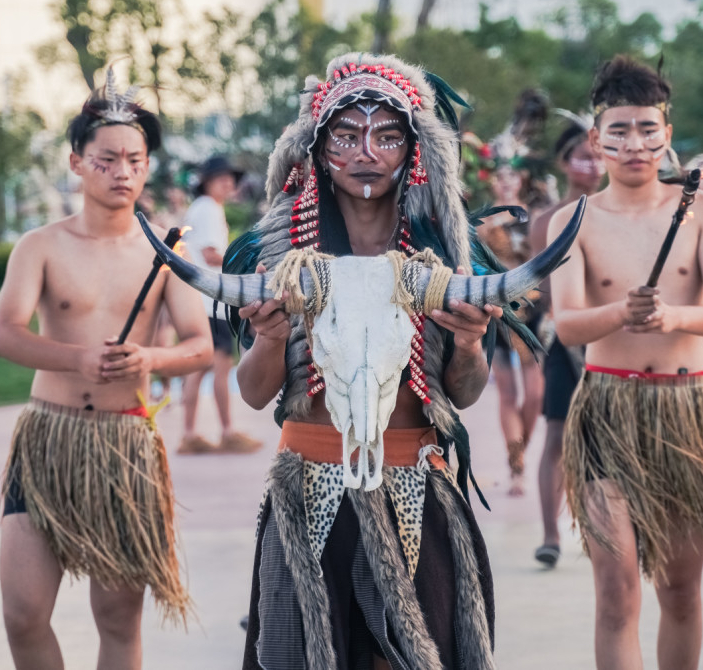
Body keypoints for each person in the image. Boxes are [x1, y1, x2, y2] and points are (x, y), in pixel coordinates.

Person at [213, 54, 553, 669]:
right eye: (346, 135)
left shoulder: (445, 250)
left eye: (387, 135)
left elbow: (464, 392)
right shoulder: (278, 246)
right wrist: (267, 339)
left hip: (416, 482)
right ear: (317, 147)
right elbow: (255, 394)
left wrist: (472, 344)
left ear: (412, 149)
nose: (367, 151)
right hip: (309, 485)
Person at [0, 74, 211, 669]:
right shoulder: (40, 245)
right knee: (23, 613)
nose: (123, 172)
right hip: (47, 441)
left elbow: (201, 346)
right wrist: (77, 358)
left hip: (123, 446)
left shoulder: (166, 254)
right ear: (77, 163)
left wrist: (149, 359)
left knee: (117, 620)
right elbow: (4, 334)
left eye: (135, 160)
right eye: (107, 159)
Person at [547, 55, 703, 670]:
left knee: (680, 589)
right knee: (617, 591)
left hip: (686, 412)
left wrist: (674, 318)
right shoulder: (572, 221)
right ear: (595, 139)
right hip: (606, 411)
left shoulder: (700, 211)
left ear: (667, 131)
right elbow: (568, 324)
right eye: (621, 130)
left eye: (648, 129)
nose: (636, 144)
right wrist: (620, 315)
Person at [531, 115, 605, 567]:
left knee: (609, 435)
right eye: (582, 155)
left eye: (598, 155)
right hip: (564, 338)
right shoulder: (548, 221)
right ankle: (550, 533)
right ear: (564, 162)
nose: (592, 164)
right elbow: (540, 288)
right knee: (557, 433)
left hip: (613, 337)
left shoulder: (620, 214)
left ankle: (605, 528)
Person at [178, 154, 261, 455]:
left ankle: (189, 433)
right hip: (212, 302)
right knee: (221, 366)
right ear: (207, 182)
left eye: (230, 178)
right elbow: (214, 256)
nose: (228, 183)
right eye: (221, 178)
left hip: (199, 300)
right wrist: (244, 260)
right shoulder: (209, 209)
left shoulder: (199, 208)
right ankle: (227, 431)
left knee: (199, 368)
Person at [476, 163, 543, 496]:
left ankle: (519, 450)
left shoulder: (535, 216)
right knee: (509, 393)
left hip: (535, 308)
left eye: (512, 176)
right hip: (500, 310)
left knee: (535, 394)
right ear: (493, 182)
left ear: (521, 179)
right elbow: (476, 264)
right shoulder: (482, 221)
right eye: (500, 176)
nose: (506, 182)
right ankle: (516, 466)